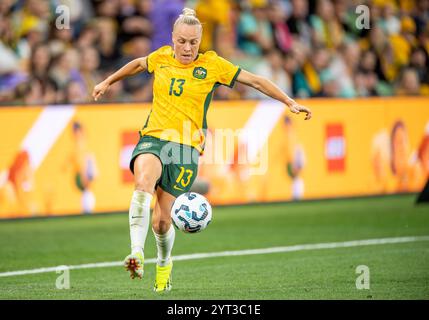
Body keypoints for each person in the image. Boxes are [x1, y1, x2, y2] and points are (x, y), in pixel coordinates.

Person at [92, 8, 312, 293]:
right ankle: (136, 252)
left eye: (193, 42)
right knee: (143, 181)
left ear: (200, 40)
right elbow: (137, 64)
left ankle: (164, 262)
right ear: (172, 38)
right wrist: (108, 81)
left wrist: (289, 101)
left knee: (161, 221)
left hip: (186, 150)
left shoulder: (213, 65)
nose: (187, 47)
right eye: (182, 41)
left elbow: (256, 81)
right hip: (154, 138)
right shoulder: (160, 57)